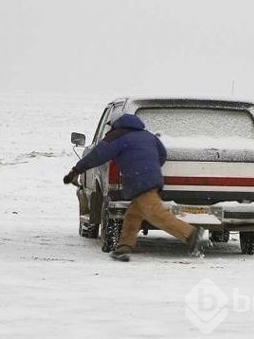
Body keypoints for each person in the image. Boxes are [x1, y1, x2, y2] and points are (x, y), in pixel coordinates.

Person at [63, 111, 204, 262]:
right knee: (133, 214)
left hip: (139, 180)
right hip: (151, 178)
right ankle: (123, 248)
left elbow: (96, 156)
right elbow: (162, 154)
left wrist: (75, 171)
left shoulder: (117, 136)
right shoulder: (148, 135)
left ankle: (190, 234)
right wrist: (149, 168)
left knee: (155, 214)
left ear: (115, 124)